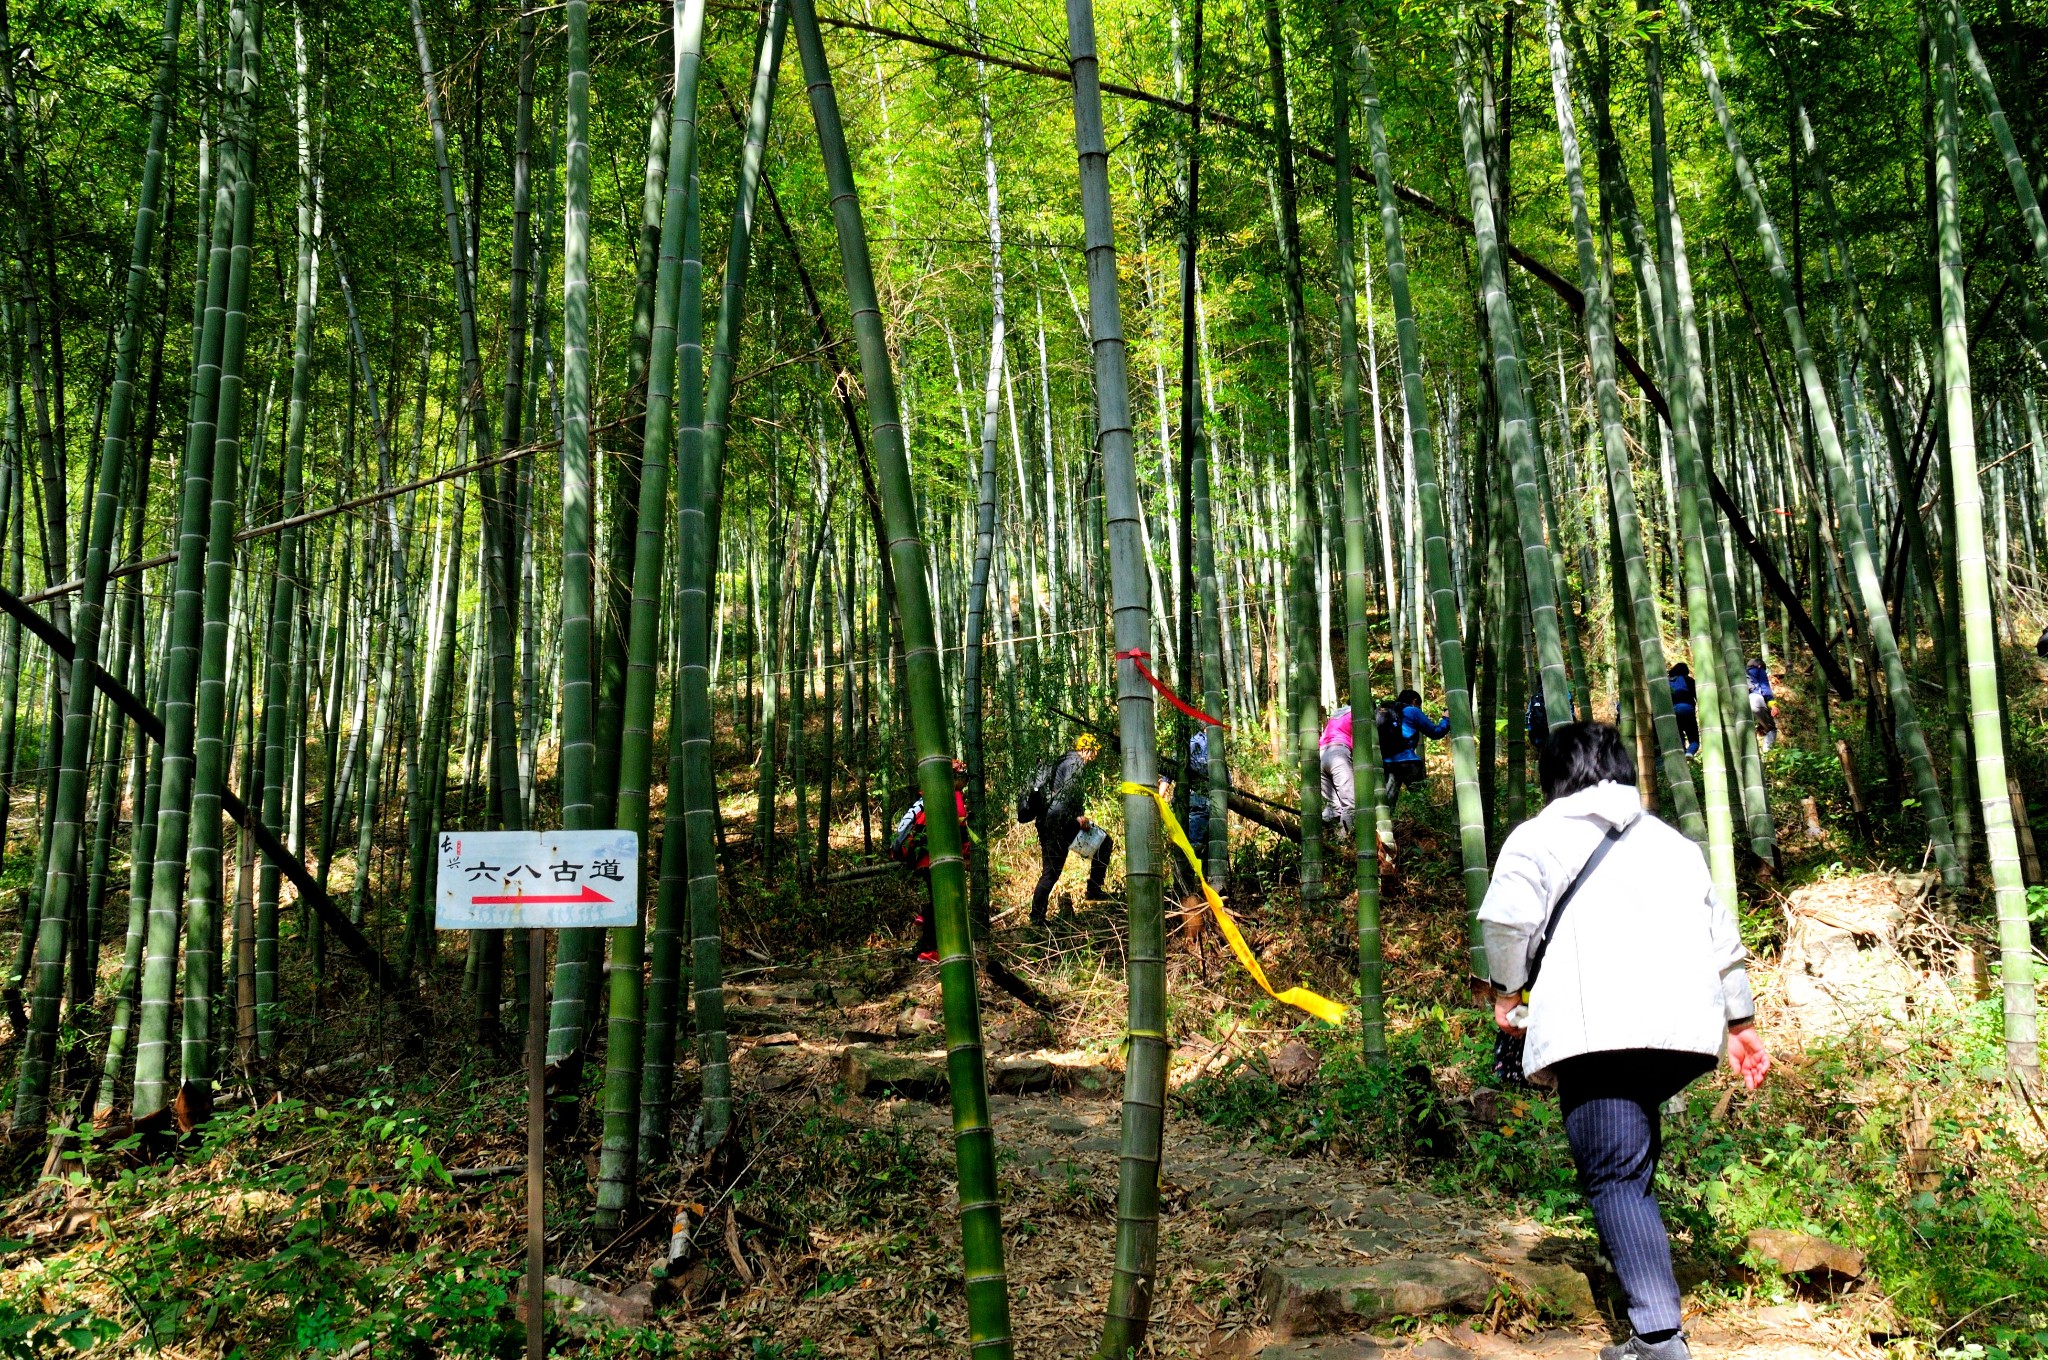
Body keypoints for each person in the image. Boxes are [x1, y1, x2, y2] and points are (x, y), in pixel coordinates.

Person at [1479, 723, 1770, 1360]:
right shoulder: (1675, 844)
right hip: (1682, 1034)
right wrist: (1741, 1027)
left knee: (1614, 1174)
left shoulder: (1538, 836)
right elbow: (1724, 948)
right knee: (1629, 1163)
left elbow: (1506, 920)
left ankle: (1660, 1339)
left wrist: (1506, 991)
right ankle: (1653, 1311)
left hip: (1598, 1028)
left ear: (1556, 775)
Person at [1018, 733, 1114, 924]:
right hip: (1061, 822)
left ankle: (1037, 917)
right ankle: (1093, 891)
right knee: (1104, 842)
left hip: (1048, 822)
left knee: (1050, 872)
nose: (1094, 757)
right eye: (1094, 752)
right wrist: (1078, 816)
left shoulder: (1063, 760)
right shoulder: (1076, 763)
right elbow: (1068, 793)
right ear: (1087, 750)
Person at [888, 758, 972, 962]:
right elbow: (960, 827)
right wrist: (966, 855)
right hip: (937, 858)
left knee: (937, 899)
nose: (964, 782)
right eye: (962, 778)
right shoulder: (953, 796)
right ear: (955, 779)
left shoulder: (931, 796)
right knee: (942, 901)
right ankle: (929, 950)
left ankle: (924, 932)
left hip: (923, 858)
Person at [1375, 688, 1449, 812]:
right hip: (1407, 762)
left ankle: (1386, 830)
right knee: (1422, 801)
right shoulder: (1412, 711)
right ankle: (1429, 827)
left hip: (1387, 763)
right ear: (1415, 702)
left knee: (1387, 807)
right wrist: (1446, 719)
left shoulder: (1383, 711)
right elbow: (1435, 732)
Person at [1319, 705, 1357, 834]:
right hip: (1339, 754)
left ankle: (1326, 840)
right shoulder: (1357, 713)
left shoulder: (1337, 715)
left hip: (1321, 755)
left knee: (1333, 806)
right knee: (1350, 804)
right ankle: (1347, 842)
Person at [1665, 663, 1700, 756]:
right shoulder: (1689, 680)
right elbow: (1698, 697)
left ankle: (1682, 753)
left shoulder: (1666, 682)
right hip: (1688, 710)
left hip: (1673, 713)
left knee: (1679, 736)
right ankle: (1690, 752)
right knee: (1694, 739)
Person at [1745, 658, 1777, 751]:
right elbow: (1765, 689)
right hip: (1754, 699)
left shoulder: (1740, 672)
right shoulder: (1759, 670)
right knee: (1771, 729)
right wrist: (1773, 705)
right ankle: (1767, 753)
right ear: (1759, 666)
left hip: (1738, 703)